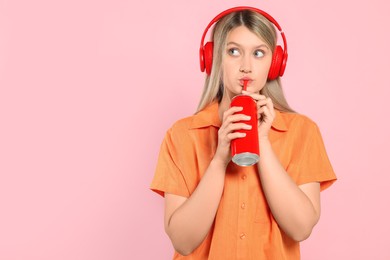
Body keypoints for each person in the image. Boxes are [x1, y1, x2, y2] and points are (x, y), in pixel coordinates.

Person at [151, 6, 337, 260]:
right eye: (234, 51)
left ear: (275, 64)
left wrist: (262, 142)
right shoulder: (182, 135)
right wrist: (219, 160)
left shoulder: (303, 132)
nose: (246, 66)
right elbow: (183, 242)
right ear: (214, 58)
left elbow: (301, 228)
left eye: (259, 53)